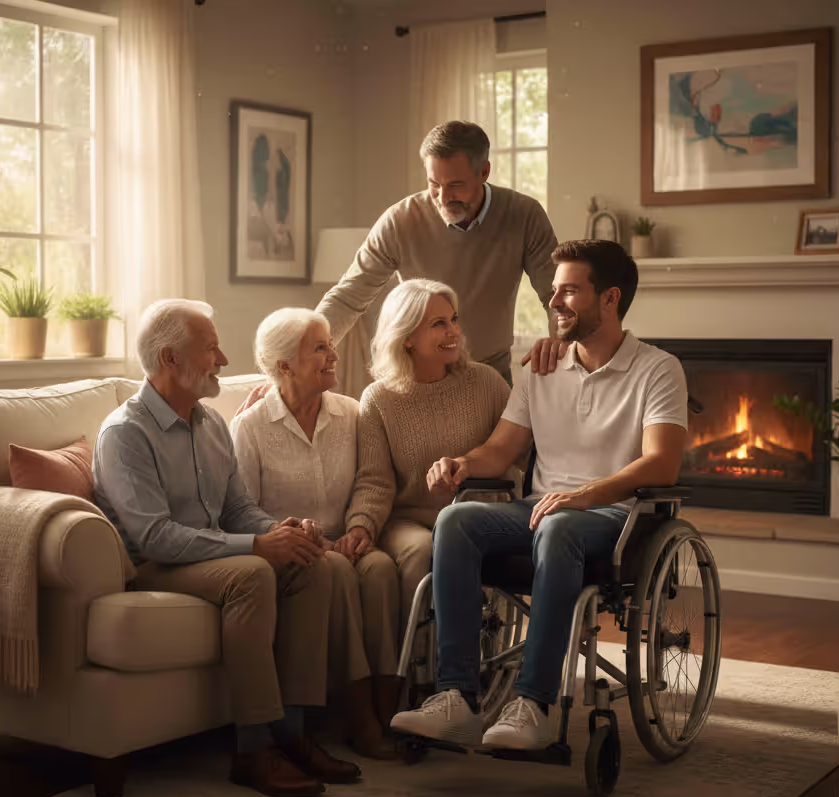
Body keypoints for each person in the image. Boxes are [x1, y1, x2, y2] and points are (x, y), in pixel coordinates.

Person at [391, 239, 688, 751]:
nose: (553, 302)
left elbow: (662, 462)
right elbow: (501, 449)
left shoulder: (659, 369)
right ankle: (457, 697)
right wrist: (463, 464)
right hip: (541, 512)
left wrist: (585, 495)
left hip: (615, 518)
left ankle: (535, 705)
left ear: (610, 298)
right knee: (457, 520)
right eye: (554, 290)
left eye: (569, 291)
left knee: (559, 525)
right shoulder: (540, 369)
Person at [92, 299, 360, 797]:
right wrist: (257, 546)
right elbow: (154, 537)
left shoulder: (211, 423)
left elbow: (237, 509)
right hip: (154, 566)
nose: (223, 360)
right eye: (211, 349)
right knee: (252, 574)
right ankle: (253, 750)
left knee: (311, 563)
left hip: (209, 555)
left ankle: (294, 734)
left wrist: (282, 532)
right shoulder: (125, 434)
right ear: (170, 359)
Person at [230, 308, 401, 760]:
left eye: (330, 345)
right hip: (290, 548)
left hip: (349, 538)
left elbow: (371, 479)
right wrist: (298, 537)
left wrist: (360, 527)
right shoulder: (250, 427)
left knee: (382, 570)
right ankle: (359, 714)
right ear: (284, 365)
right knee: (338, 571)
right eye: (320, 348)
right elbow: (240, 509)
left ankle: (390, 707)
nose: (333, 355)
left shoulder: (353, 413)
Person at [341, 279, 510, 676]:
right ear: (406, 337)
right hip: (410, 519)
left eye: (454, 320)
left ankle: (451, 674)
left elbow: (518, 449)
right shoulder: (378, 399)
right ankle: (416, 675)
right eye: (438, 324)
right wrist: (361, 524)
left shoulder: (486, 382)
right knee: (419, 550)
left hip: (477, 517)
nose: (453, 332)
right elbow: (374, 480)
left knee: (451, 543)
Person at [317, 121, 558, 385]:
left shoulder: (524, 215)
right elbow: (348, 297)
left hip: (491, 377)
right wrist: (307, 347)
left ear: (484, 172)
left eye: (456, 185)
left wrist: (561, 339)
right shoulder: (400, 221)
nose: (443, 197)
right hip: (416, 378)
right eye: (434, 184)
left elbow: (556, 295)